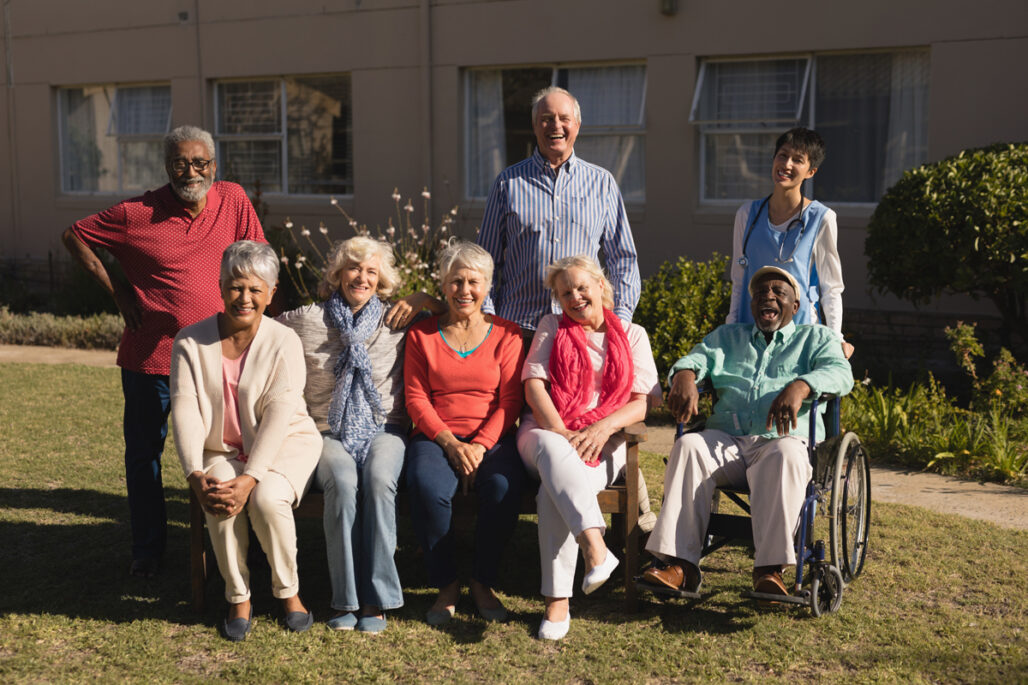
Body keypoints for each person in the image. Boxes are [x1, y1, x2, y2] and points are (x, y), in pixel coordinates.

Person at [61, 125, 264, 578]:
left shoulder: (232, 199)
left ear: (214, 165)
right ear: (166, 165)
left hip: (216, 356)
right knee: (145, 455)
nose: (189, 171)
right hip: (151, 360)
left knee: (225, 451)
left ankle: (233, 541)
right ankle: (148, 550)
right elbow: (74, 235)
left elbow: (259, 260)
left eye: (199, 163)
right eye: (179, 162)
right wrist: (118, 292)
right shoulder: (138, 212)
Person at [641, 265, 853, 598]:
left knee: (784, 455)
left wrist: (801, 385)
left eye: (778, 292)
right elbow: (694, 359)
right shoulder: (727, 338)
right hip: (728, 441)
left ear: (794, 307)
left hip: (783, 440)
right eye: (760, 293)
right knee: (689, 447)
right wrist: (683, 375)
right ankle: (680, 565)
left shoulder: (816, 338)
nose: (768, 296)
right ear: (752, 304)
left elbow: (842, 375)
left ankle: (769, 570)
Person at [277, 237, 442, 634]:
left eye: (371, 271)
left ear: (382, 279)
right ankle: (346, 598)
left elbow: (455, 312)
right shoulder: (305, 318)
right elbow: (257, 329)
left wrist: (422, 297)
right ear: (337, 273)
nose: (362, 277)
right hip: (326, 431)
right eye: (353, 268)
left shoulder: (398, 318)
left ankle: (377, 598)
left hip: (385, 427)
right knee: (343, 481)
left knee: (380, 478)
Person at [170, 241, 321, 641]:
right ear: (220, 287)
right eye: (236, 286)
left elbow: (279, 413)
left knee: (268, 499)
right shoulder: (188, 341)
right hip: (220, 448)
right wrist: (195, 474)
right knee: (219, 495)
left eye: (256, 289)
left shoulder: (284, 340)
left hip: (285, 443)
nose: (245, 297)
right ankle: (238, 595)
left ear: (271, 293)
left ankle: (289, 591)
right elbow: (184, 409)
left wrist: (252, 478)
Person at [517, 255, 661, 641]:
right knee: (555, 456)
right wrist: (562, 433)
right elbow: (534, 386)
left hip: (605, 439)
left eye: (582, 287)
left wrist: (601, 428)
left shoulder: (633, 334)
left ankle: (557, 602)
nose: (575, 297)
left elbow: (643, 400)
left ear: (601, 285)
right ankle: (595, 548)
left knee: (554, 491)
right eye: (565, 292)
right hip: (546, 432)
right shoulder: (551, 327)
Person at [403, 241, 527, 626]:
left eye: (474, 281)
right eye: (456, 281)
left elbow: (510, 400)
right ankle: (446, 584)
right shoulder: (421, 335)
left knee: (504, 487)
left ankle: (482, 581)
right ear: (442, 285)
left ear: (488, 286)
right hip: (436, 437)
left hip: (492, 438)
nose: (465, 290)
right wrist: (451, 443)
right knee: (426, 486)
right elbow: (415, 397)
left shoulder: (508, 335)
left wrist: (478, 446)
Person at [477, 86, 640, 341]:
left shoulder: (602, 183)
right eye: (546, 119)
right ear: (535, 125)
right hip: (518, 331)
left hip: (583, 330)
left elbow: (624, 260)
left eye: (564, 118)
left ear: (577, 125)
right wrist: (488, 318)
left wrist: (618, 318)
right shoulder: (507, 183)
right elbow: (485, 262)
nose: (556, 126)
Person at [726, 127, 854, 359]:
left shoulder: (821, 218)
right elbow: (738, 280)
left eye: (798, 160)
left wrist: (835, 338)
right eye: (782, 155)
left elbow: (831, 288)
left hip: (800, 335)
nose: (786, 165)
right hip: (750, 331)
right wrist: (730, 329)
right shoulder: (747, 215)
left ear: (811, 171)